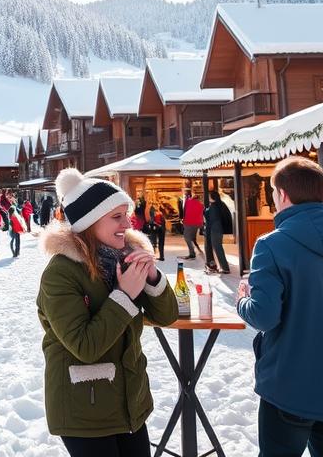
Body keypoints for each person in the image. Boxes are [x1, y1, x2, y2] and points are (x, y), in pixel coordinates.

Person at [236, 157, 323, 457]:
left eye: (273, 193)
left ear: (283, 194)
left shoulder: (271, 245)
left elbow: (263, 316)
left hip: (289, 380)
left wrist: (241, 300)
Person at [38, 169, 177, 456]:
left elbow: (166, 316)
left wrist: (151, 277)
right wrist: (124, 296)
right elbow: (84, 346)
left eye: (126, 215)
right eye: (116, 217)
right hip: (83, 410)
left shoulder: (124, 257)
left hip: (129, 404)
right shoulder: (61, 273)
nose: (128, 223)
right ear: (89, 222)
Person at [203, 191, 234, 275]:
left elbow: (212, 219)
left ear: (212, 197)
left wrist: (205, 212)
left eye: (209, 196)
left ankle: (225, 268)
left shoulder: (214, 206)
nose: (208, 197)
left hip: (214, 229)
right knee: (217, 248)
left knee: (217, 248)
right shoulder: (220, 205)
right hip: (217, 229)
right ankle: (220, 266)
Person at [180, 190, 203, 260]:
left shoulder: (188, 202)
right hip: (198, 223)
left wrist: (183, 220)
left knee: (187, 237)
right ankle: (197, 248)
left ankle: (192, 253)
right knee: (193, 237)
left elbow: (185, 211)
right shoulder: (201, 204)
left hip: (189, 222)